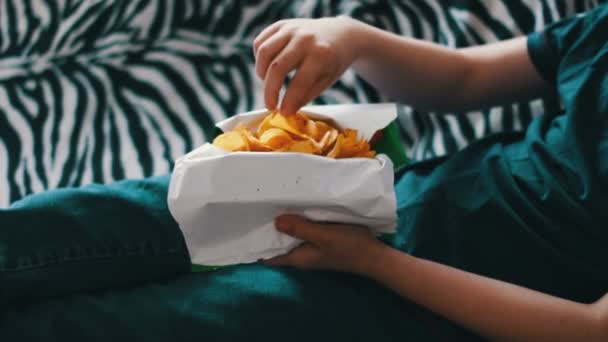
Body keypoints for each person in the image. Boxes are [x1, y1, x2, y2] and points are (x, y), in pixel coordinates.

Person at [252, 7, 608, 342]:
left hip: (429, 304)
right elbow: (466, 78)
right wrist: (353, 38)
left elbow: (592, 329)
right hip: (394, 215)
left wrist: (374, 262)